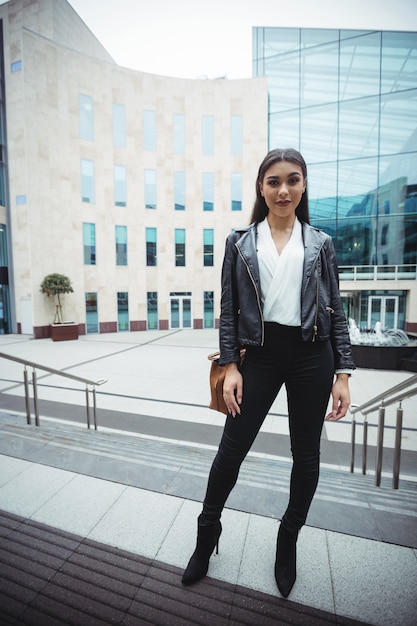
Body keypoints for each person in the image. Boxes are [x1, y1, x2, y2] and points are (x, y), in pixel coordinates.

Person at [181, 148, 355, 597]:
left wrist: (343, 373)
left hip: (312, 356)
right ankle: (206, 534)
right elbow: (227, 309)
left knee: (307, 457)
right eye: (274, 181)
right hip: (258, 353)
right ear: (261, 186)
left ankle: (288, 538)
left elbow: (335, 311)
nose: (284, 189)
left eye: (293, 180)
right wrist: (231, 363)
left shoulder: (320, 242)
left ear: (303, 186)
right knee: (230, 451)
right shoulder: (240, 242)